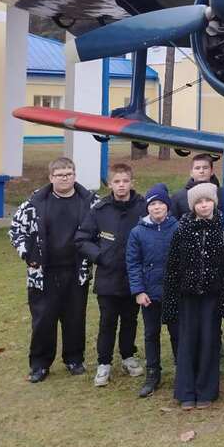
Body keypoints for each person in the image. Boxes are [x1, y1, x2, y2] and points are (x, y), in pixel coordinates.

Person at [8, 157, 96, 383]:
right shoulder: (35, 203)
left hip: (76, 271)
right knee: (43, 319)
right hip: (43, 273)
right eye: (60, 175)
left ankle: (74, 359)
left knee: (75, 318)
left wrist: (95, 253)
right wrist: (27, 254)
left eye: (69, 174)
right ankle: (40, 364)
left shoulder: (90, 202)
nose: (65, 178)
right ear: (51, 178)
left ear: (75, 175)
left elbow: (102, 229)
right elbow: (16, 230)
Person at [162, 182, 224, 410]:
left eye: (208, 201)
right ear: (192, 206)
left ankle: (206, 390)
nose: (204, 205)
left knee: (209, 340)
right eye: (199, 202)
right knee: (187, 341)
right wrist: (170, 303)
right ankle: (186, 391)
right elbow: (172, 267)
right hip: (187, 295)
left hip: (212, 296)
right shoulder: (182, 230)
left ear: (214, 203)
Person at [74, 162, 148, 388]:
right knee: (107, 321)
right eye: (117, 181)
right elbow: (82, 239)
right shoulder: (100, 210)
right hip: (108, 277)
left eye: (125, 181)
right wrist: (100, 256)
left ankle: (128, 356)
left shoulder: (143, 206)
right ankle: (104, 362)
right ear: (110, 184)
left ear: (132, 182)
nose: (121, 185)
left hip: (134, 277)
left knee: (130, 319)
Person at [126, 183, 180, 398]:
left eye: (160, 203)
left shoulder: (178, 228)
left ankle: (182, 371)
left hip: (174, 292)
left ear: (167, 206)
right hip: (149, 293)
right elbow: (133, 263)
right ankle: (152, 373)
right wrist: (139, 291)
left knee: (177, 332)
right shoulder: (137, 232)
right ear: (147, 207)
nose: (156, 208)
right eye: (152, 204)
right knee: (151, 334)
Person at [170, 154, 223, 219]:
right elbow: (173, 221)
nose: (201, 171)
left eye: (205, 168)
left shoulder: (222, 194)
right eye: (197, 168)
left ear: (212, 171)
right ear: (191, 173)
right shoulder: (178, 197)